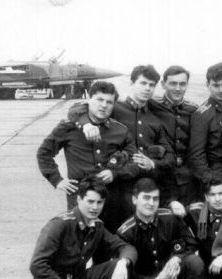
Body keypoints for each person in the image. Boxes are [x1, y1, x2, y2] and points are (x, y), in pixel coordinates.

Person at [68, 66, 176, 221]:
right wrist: (86, 124)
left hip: (144, 188)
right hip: (115, 185)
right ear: (132, 83)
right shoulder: (114, 108)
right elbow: (78, 108)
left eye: (152, 85)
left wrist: (152, 163)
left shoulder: (154, 119)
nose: (147, 88)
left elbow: (170, 156)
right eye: (143, 83)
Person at [37, 81, 140, 232]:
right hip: (80, 198)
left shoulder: (121, 131)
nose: (104, 105)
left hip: (110, 199)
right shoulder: (69, 128)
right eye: (99, 100)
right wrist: (56, 179)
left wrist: (115, 173)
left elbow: (135, 162)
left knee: (109, 244)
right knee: (77, 244)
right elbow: (44, 153)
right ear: (89, 100)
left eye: (109, 102)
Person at [116, 178, 204, 279]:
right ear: (135, 199)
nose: (151, 203)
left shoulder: (170, 218)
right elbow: (128, 276)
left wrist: (178, 257)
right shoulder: (125, 232)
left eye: (155, 199)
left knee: (195, 263)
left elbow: (191, 242)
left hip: (172, 277)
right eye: (146, 198)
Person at [147, 65, 199, 213]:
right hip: (160, 174)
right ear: (163, 84)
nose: (178, 88)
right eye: (173, 83)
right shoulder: (152, 105)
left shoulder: (193, 109)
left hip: (186, 177)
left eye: (182, 84)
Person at [188, 62, 222, 197]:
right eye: (215, 85)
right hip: (216, 177)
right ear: (208, 85)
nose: (221, 90)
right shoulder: (202, 115)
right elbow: (197, 155)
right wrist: (211, 182)